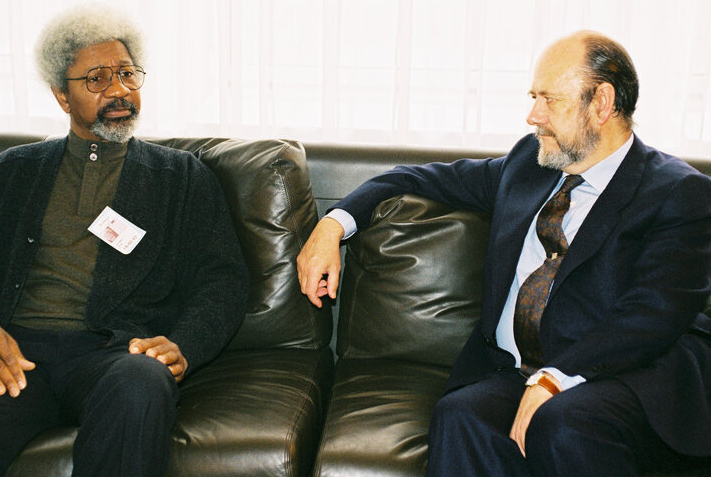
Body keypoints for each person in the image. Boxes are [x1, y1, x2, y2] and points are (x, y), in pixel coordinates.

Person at [297, 30, 711, 476]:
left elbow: (652, 314)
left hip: (622, 376)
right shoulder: (527, 166)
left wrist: (557, 377)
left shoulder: (678, 193)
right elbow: (412, 177)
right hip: (519, 374)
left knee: (564, 421)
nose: (533, 115)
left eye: (550, 100)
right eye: (534, 97)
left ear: (602, 103)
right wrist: (332, 225)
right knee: (461, 414)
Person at [0, 5, 249, 477]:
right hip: (15, 354)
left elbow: (222, 279)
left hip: (117, 355)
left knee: (141, 385)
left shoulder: (181, 176)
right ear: (61, 97)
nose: (119, 91)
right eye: (97, 79)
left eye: (128, 74)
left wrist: (184, 343)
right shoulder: (11, 171)